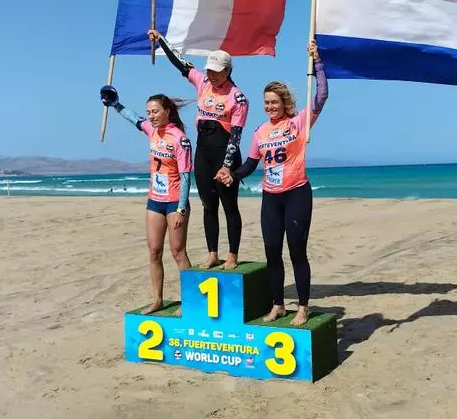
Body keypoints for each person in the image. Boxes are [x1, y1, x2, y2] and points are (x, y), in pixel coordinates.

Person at [216, 40, 329, 326]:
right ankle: (278, 304)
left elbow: (322, 95)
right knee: (271, 251)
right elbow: (251, 164)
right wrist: (232, 174)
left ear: (284, 103)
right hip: (271, 197)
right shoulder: (260, 131)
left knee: (296, 250)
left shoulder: (299, 122)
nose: (270, 107)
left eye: (274, 102)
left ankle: (303, 306)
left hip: (297, 193)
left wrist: (317, 63)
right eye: (266, 103)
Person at [148, 29, 247, 270]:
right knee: (208, 204)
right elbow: (180, 64)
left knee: (229, 206)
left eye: (217, 72)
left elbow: (235, 136)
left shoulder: (238, 98)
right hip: (203, 152)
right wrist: (161, 39)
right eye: (210, 70)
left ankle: (232, 254)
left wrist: (227, 166)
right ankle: (213, 252)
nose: (211, 75)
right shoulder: (202, 81)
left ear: (228, 71)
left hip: (225, 154)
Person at [100, 85, 194, 315]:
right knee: (154, 251)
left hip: (174, 202)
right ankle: (158, 300)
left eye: (155, 111)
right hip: (155, 200)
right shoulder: (152, 131)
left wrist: (181, 208)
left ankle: (190, 302)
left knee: (178, 251)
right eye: (149, 112)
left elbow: (185, 176)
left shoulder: (180, 139)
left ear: (167, 112)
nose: (151, 116)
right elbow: (132, 117)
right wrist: (114, 103)